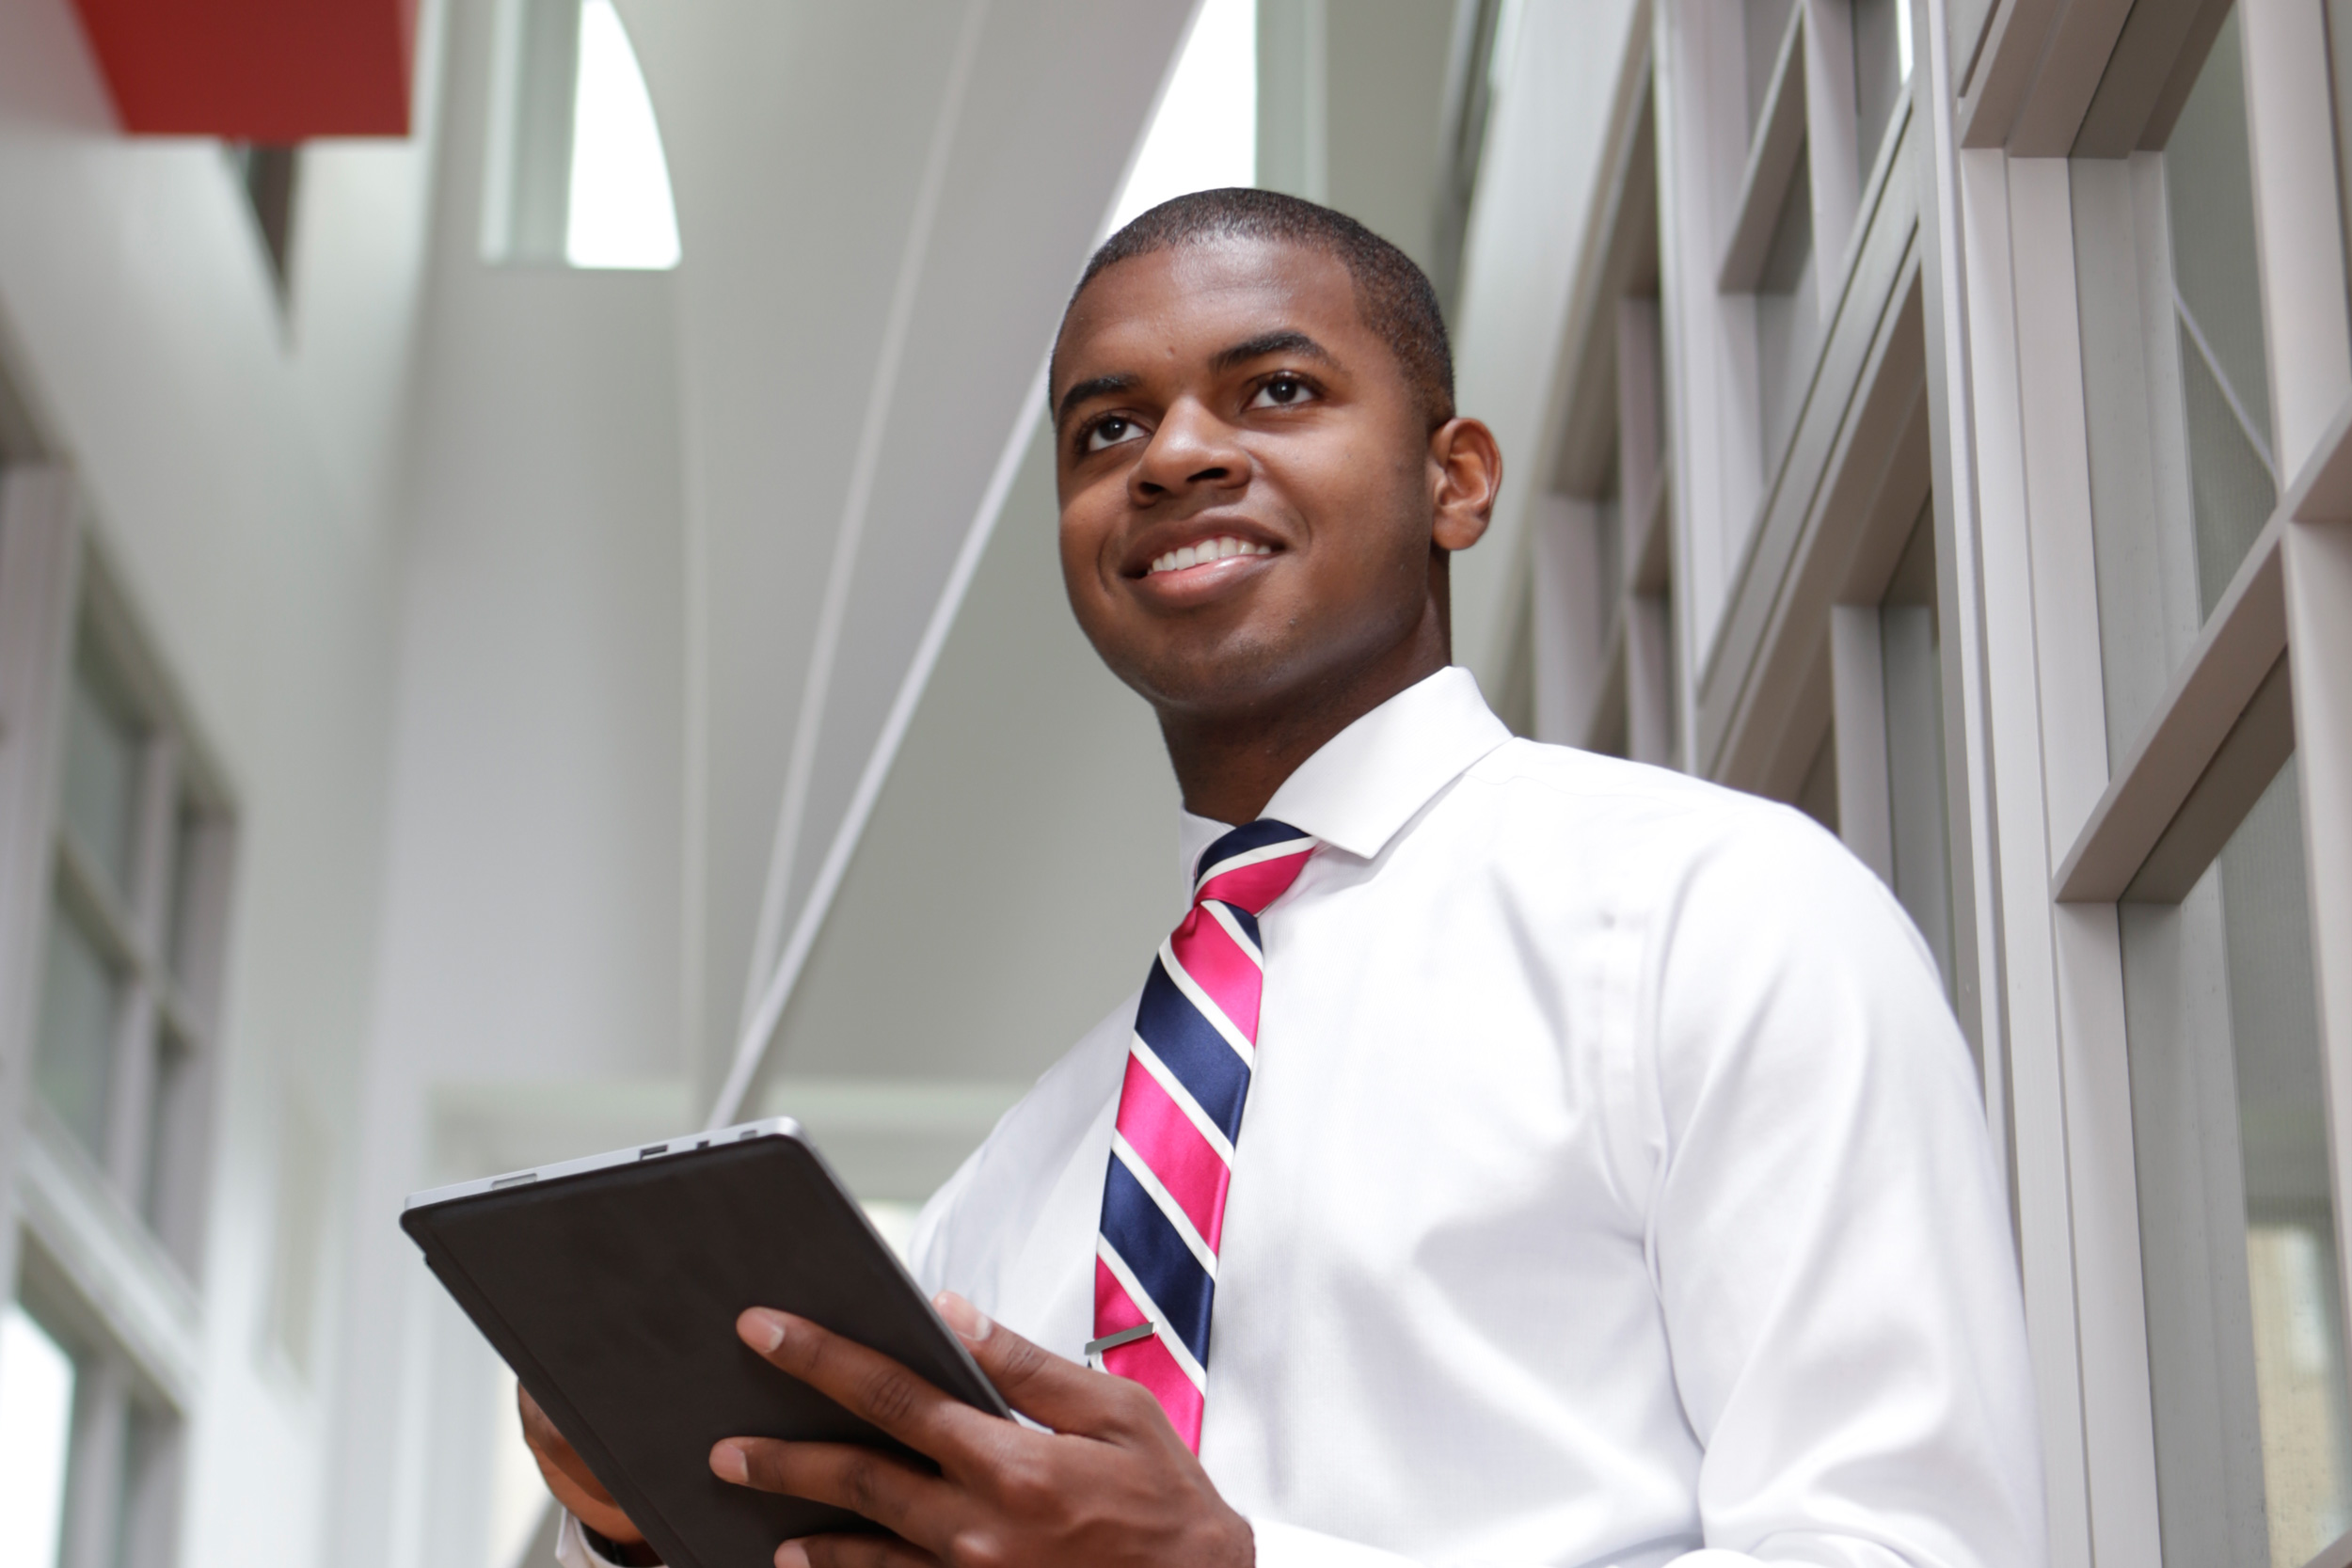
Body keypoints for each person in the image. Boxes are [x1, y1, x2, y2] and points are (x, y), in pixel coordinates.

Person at [527, 188, 2043, 1568]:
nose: (1175, 455)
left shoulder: (1717, 918)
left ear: (1455, 481)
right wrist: (667, 1513)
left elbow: (1905, 1552)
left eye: (1277, 390)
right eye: (1104, 431)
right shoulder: (1020, 1178)